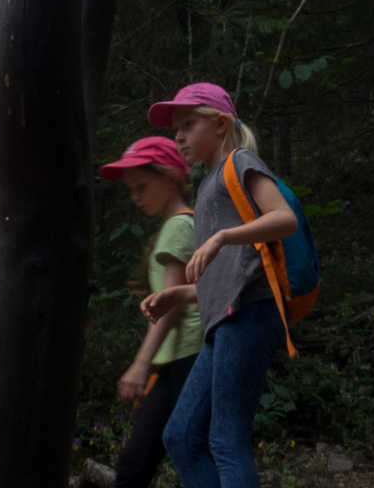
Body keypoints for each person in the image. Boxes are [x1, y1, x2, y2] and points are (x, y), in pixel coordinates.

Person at [139, 83, 298, 488]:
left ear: (220, 123)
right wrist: (179, 294)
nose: (177, 136)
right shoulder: (210, 184)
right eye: (175, 129)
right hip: (224, 319)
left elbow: (284, 219)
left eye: (188, 124)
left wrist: (222, 237)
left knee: (226, 442)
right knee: (180, 436)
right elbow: (228, 277)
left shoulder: (239, 162)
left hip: (249, 313)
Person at [100, 135, 205, 488]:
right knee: (139, 462)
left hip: (188, 357)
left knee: (165, 456)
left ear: (171, 178)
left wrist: (140, 364)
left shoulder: (178, 227)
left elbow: (169, 305)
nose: (135, 196)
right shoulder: (179, 225)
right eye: (131, 189)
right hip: (179, 358)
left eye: (141, 186)